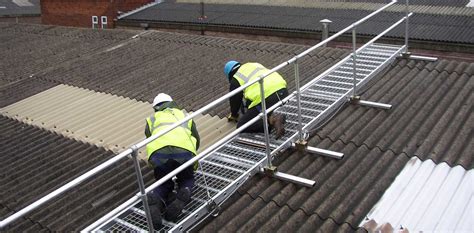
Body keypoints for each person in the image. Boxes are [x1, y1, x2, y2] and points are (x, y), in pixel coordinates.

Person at [145, 93, 200, 228]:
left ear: (156, 108)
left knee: (163, 182)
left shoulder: (152, 120)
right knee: (186, 178)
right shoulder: (185, 116)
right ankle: (184, 193)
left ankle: (156, 198)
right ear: (172, 103)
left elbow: (149, 138)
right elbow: (196, 139)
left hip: (160, 154)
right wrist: (190, 155)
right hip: (184, 151)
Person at [224, 61, 288, 139]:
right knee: (265, 108)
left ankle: (271, 121)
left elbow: (235, 101)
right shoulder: (253, 64)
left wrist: (234, 115)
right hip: (283, 90)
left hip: (266, 97)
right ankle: (278, 118)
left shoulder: (236, 78)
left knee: (242, 126)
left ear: (230, 75)